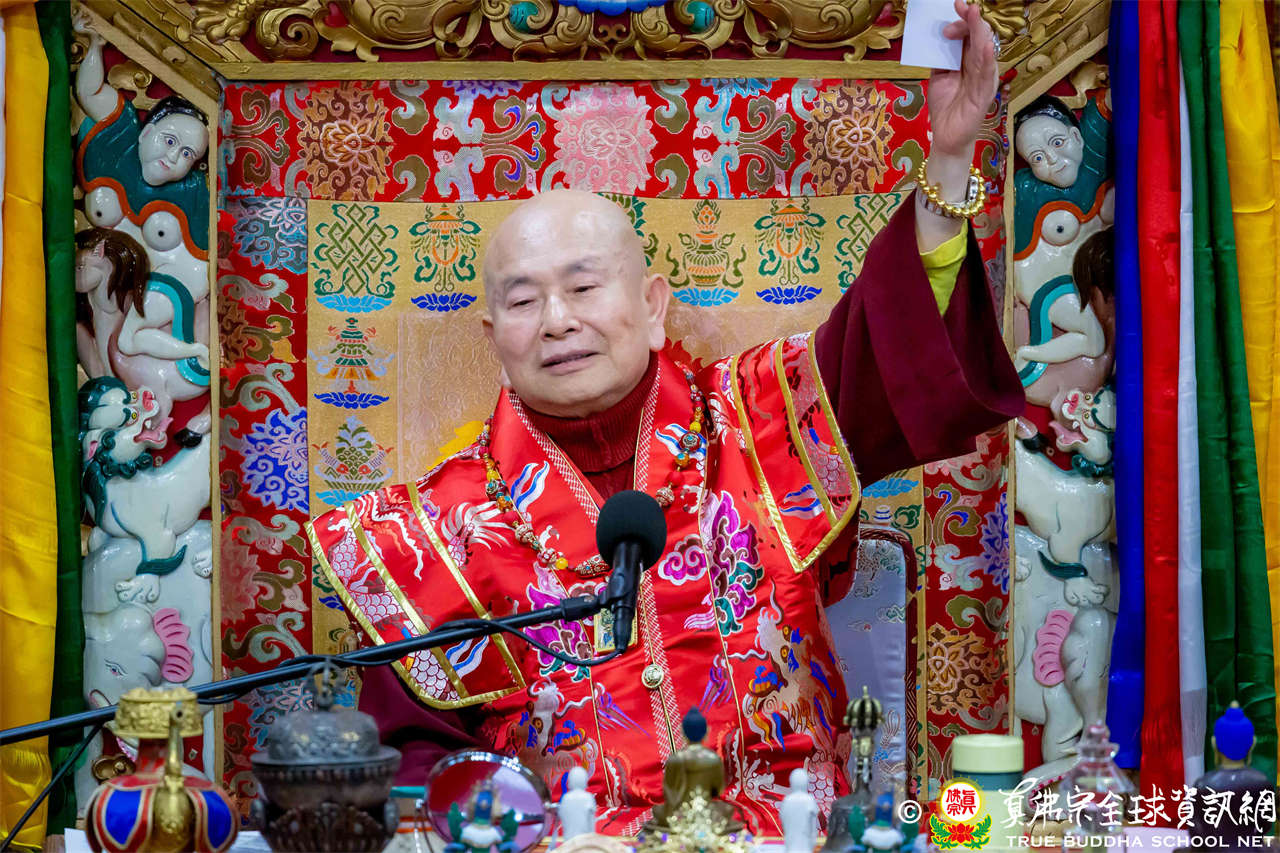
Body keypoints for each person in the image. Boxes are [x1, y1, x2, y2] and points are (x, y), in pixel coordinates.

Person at [308, 0, 1022, 835]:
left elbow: (893, 343)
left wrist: (948, 160)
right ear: (493, 336)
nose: (558, 320)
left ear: (653, 307)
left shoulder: (766, 416)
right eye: (524, 300)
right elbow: (417, 774)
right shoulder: (428, 532)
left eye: (584, 286)